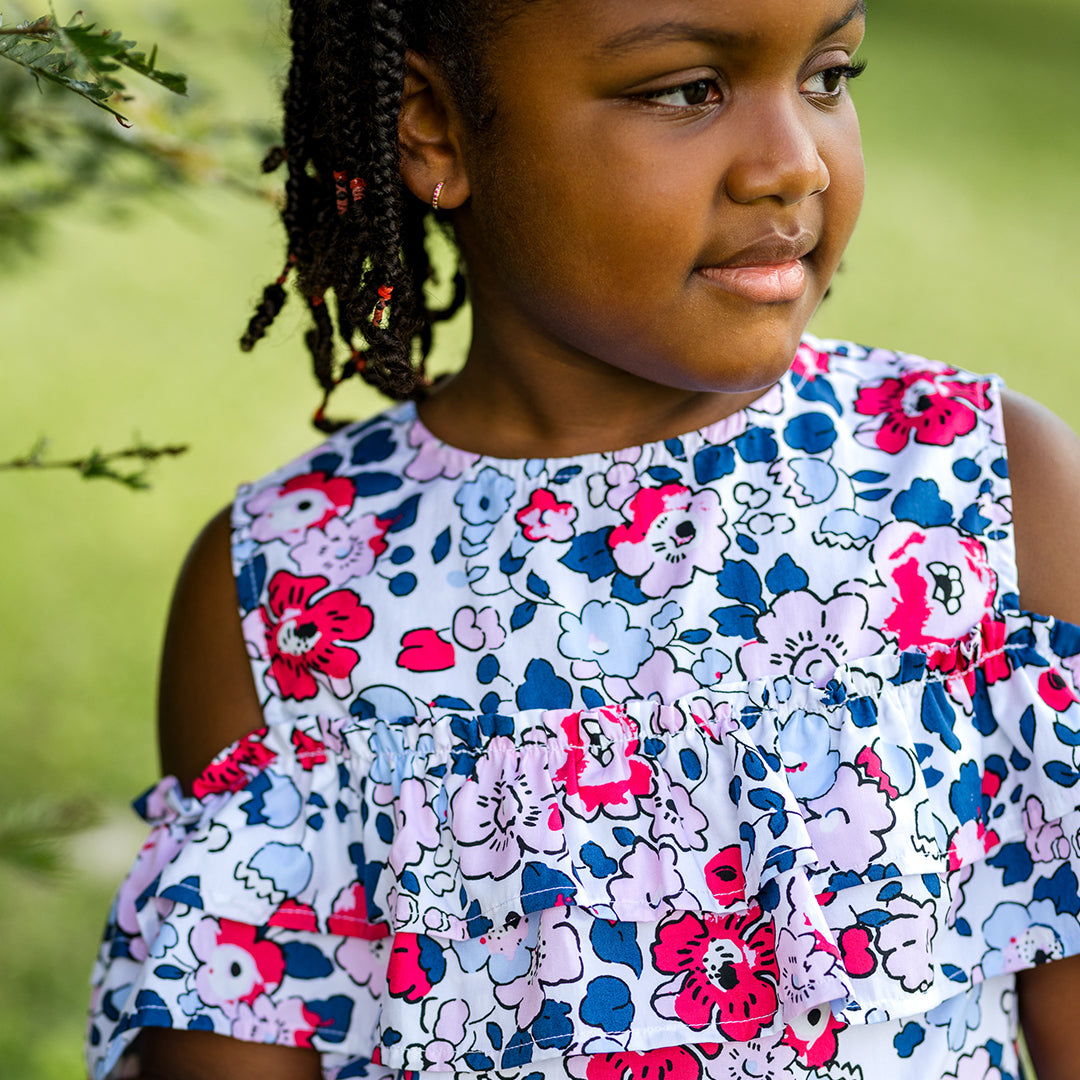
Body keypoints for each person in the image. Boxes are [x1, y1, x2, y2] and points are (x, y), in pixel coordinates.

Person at [85, 1, 1080, 1078]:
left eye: (828, 77)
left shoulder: (977, 490)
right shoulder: (293, 588)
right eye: (687, 91)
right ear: (434, 127)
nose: (796, 165)